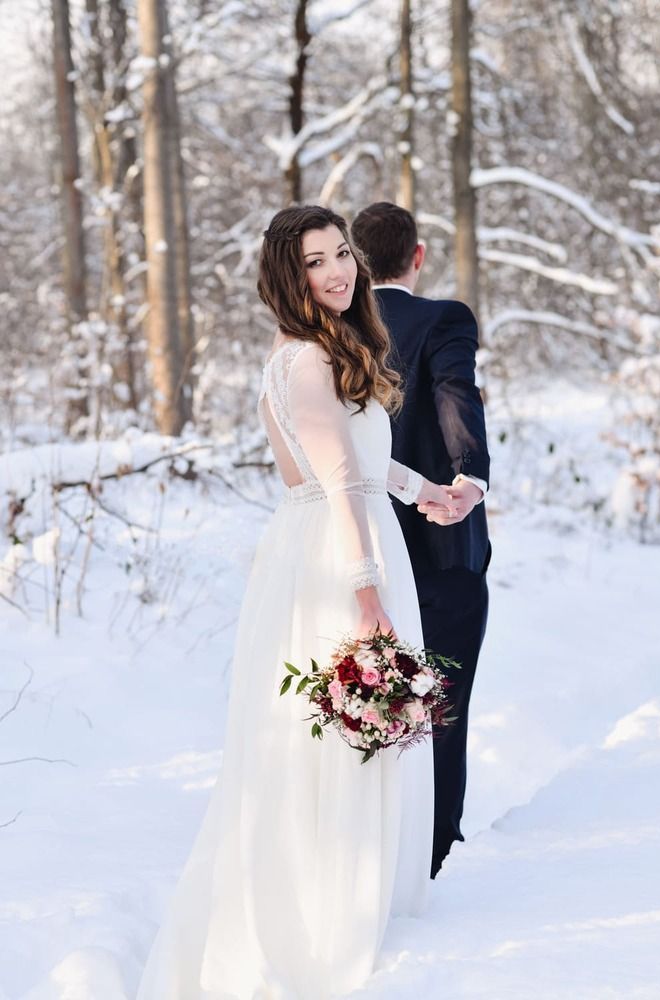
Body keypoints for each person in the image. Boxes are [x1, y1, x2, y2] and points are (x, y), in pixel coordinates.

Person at [136, 205, 459, 1000]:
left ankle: (359, 901)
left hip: (346, 537)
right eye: (316, 261)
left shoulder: (323, 349)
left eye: (341, 254)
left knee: (356, 734)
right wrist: (365, 593)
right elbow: (337, 480)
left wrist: (426, 495)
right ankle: (323, 921)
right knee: (337, 736)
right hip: (332, 559)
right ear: (290, 274)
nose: (337, 271)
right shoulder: (306, 362)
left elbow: (361, 462)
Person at [351, 201, 491, 879]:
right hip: (439, 551)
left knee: (361, 706)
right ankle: (432, 859)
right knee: (442, 709)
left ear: (351, 260)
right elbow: (454, 392)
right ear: (418, 255)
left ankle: (366, 852)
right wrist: (467, 479)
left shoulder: (324, 331)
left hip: (355, 556)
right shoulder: (444, 320)